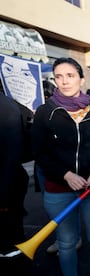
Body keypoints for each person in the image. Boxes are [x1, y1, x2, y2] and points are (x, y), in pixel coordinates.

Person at [31, 57, 90, 276]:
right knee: (66, 242)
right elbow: (39, 152)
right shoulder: (44, 112)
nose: (64, 81)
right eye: (59, 76)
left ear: (81, 78)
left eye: (70, 75)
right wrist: (65, 174)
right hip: (59, 190)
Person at [0, 92, 32, 275]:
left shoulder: (7, 109)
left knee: (8, 241)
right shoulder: (15, 106)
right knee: (13, 236)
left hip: (6, 185)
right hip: (12, 182)